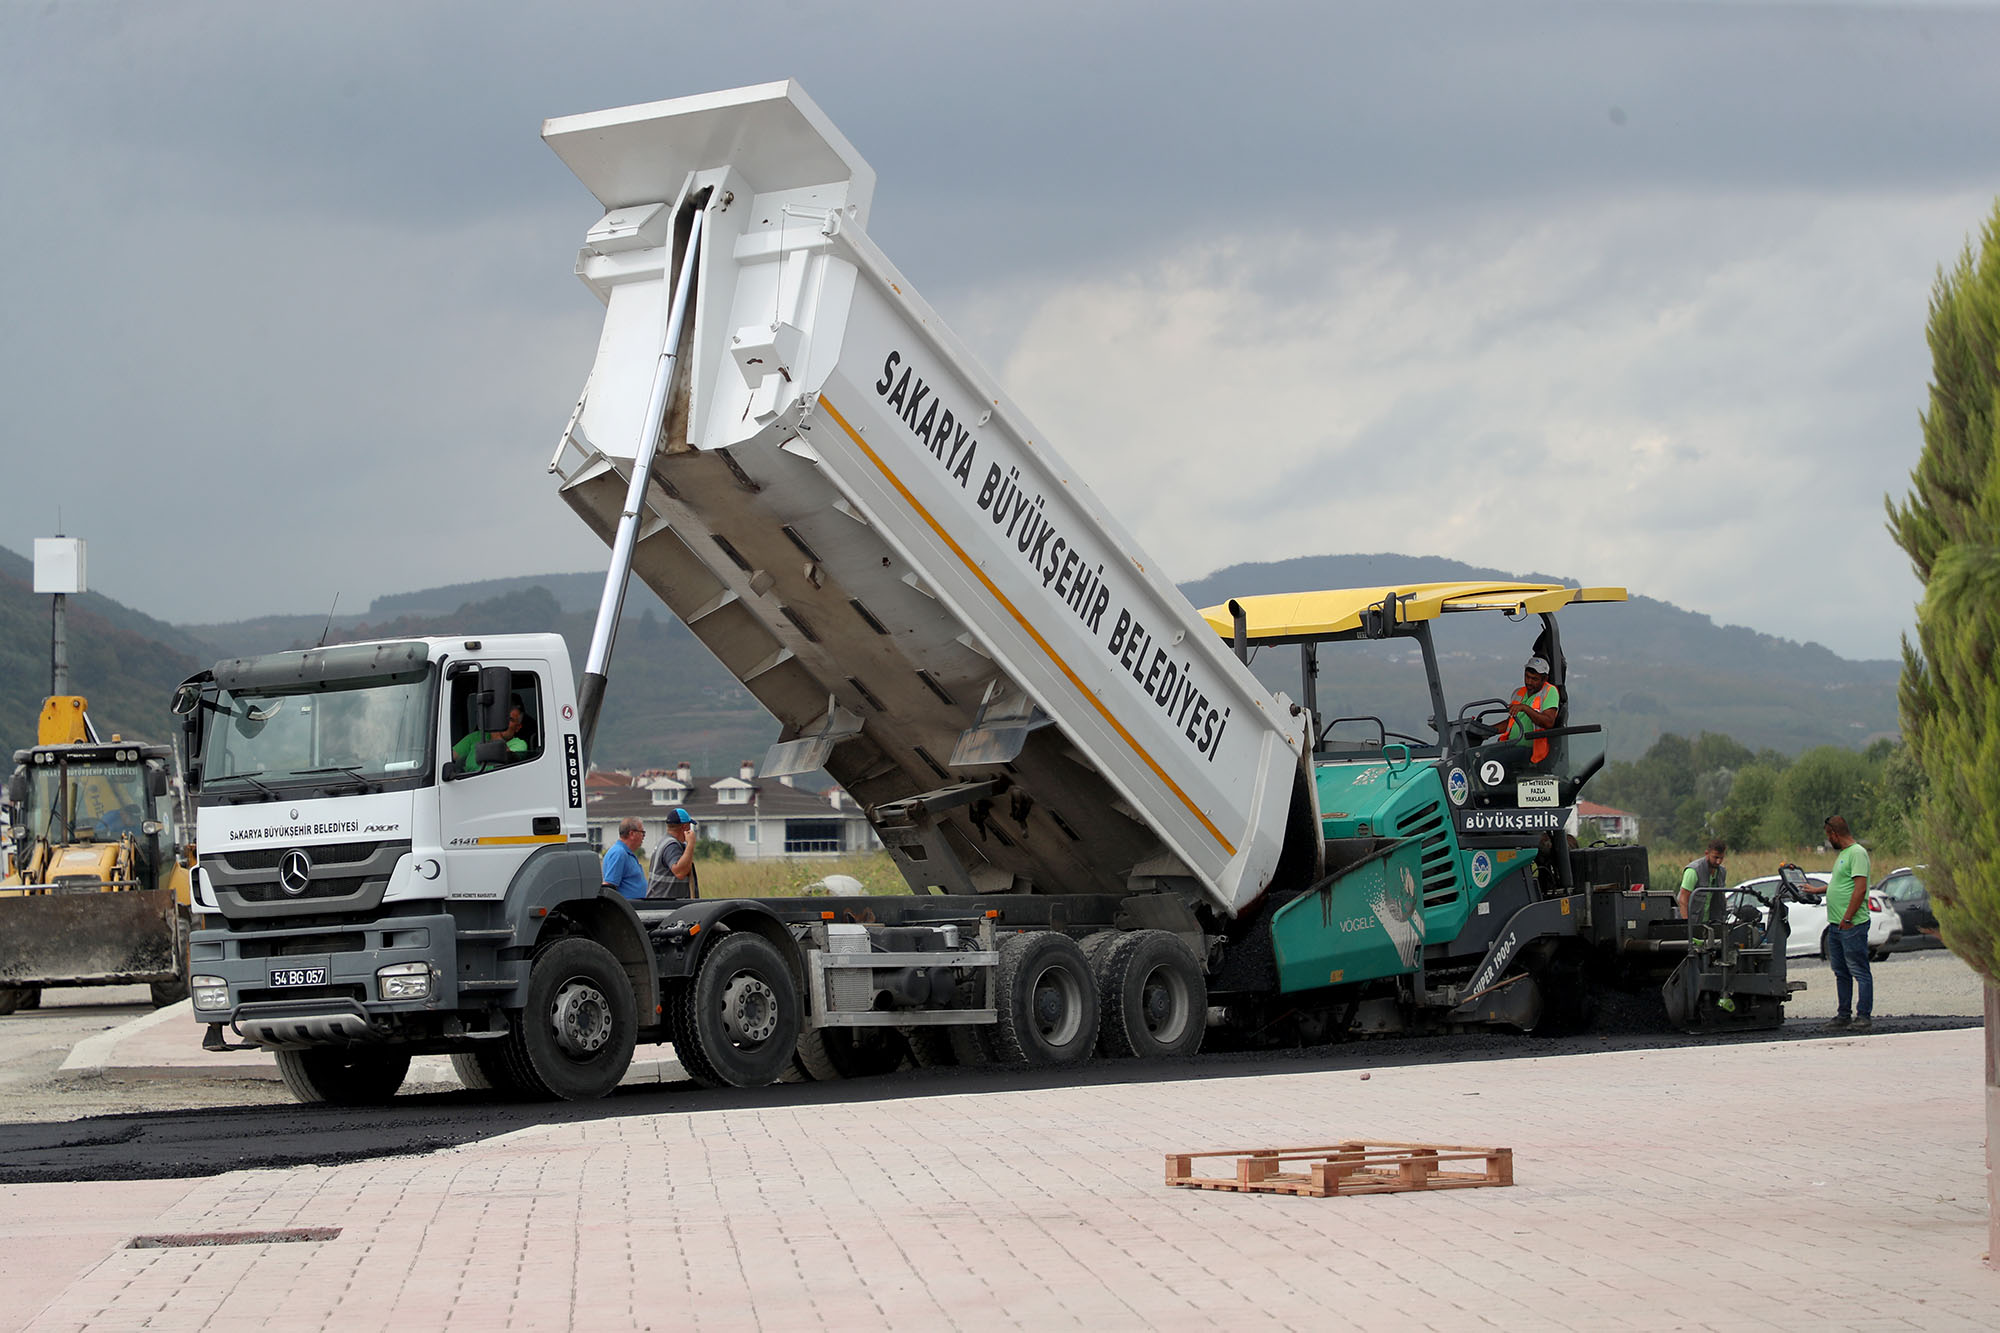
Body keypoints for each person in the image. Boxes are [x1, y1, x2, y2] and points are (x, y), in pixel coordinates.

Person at [1821, 814, 1872, 1032]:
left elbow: (1860, 888)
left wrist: (1848, 917)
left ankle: (1863, 1016)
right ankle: (1843, 1015)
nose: (1828, 841)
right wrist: (1817, 890)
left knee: (1859, 970)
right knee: (1841, 971)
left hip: (1851, 925)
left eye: (1828, 836)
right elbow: (1839, 884)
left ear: (1834, 833)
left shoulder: (1857, 853)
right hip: (1836, 925)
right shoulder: (1844, 855)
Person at [1483, 656, 1562, 777]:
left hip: (1530, 749)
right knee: (1482, 756)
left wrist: (1525, 708)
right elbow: (1511, 722)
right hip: (1512, 744)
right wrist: (1487, 730)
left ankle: (1501, 791)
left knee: (1494, 762)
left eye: (1534, 679)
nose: (1529, 682)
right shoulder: (1519, 693)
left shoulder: (1549, 692)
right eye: (1527, 677)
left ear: (1544, 678)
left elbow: (1548, 722)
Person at [452, 699, 530, 775]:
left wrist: (495, 729)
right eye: (502, 717)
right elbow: (450, 757)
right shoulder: (477, 736)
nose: (503, 722)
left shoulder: (519, 744)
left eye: (510, 719)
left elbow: (506, 765)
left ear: (518, 727)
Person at [648, 807, 700, 900]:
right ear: (685, 827)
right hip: (665, 903)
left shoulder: (664, 841)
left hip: (659, 900)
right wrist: (691, 844)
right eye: (689, 826)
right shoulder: (672, 845)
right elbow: (680, 872)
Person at [1678, 840, 1727, 921]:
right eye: (1715, 857)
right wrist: (1686, 924)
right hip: (1692, 922)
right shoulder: (1693, 871)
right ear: (1707, 853)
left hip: (1712, 922)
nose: (1718, 862)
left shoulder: (1722, 872)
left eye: (1721, 858)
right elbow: (1683, 899)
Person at [602, 816, 648, 900]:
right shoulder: (619, 853)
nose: (643, 837)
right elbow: (609, 886)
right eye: (642, 832)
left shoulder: (626, 853)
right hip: (627, 909)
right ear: (632, 834)